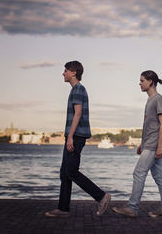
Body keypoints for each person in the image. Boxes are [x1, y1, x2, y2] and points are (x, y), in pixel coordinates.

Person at [45, 60, 111, 218]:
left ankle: (101, 197)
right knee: (65, 173)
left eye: (66, 70)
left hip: (75, 136)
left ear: (74, 72)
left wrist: (70, 137)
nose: (63, 73)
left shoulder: (78, 90)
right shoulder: (76, 90)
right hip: (74, 135)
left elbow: (78, 114)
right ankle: (63, 208)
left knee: (71, 171)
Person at [112, 70, 162, 218]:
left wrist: (159, 147)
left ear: (150, 81)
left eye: (142, 80)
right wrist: (142, 143)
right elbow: (149, 126)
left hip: (154, 145)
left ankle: (132, 208)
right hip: (149, 144)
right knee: (160, 177)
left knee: (138, 173)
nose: (139, 83)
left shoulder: (159, 99)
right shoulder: (150, 100)